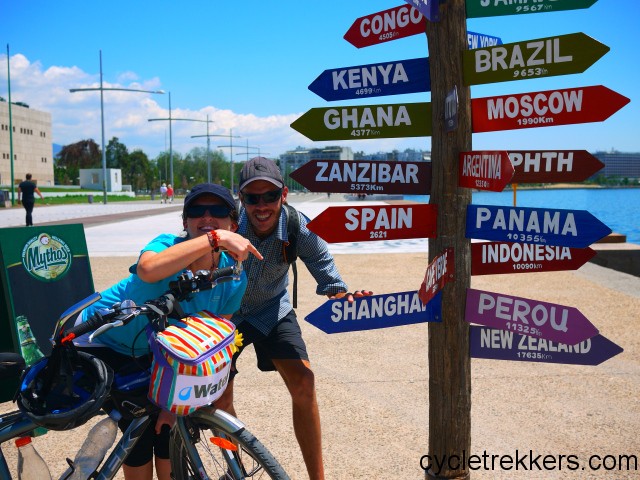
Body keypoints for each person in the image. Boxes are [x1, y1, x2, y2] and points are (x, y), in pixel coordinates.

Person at [74, 183, 262, 480]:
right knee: (138, 432)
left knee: (170, 429)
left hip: (154, 349)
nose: (206, 216)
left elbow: (210, 336)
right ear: (185, 222)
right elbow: (148, 270)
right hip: (105, 340)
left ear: (234, 222)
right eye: (197, 211)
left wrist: (177, 402)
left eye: (218, 212)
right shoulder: (166, 244)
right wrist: (217, 237)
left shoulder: (234, 275)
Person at [215, 157, 372, 480]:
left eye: (269, 196)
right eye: (252, 198)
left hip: (272, 309)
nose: (262, 206)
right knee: (220, 397)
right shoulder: (226, 226)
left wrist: (343, 294)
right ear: (240, 199)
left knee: (305, 384)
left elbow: (324, 266)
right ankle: (236, 470)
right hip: (226, 315)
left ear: (283, 194)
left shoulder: (297, 225)